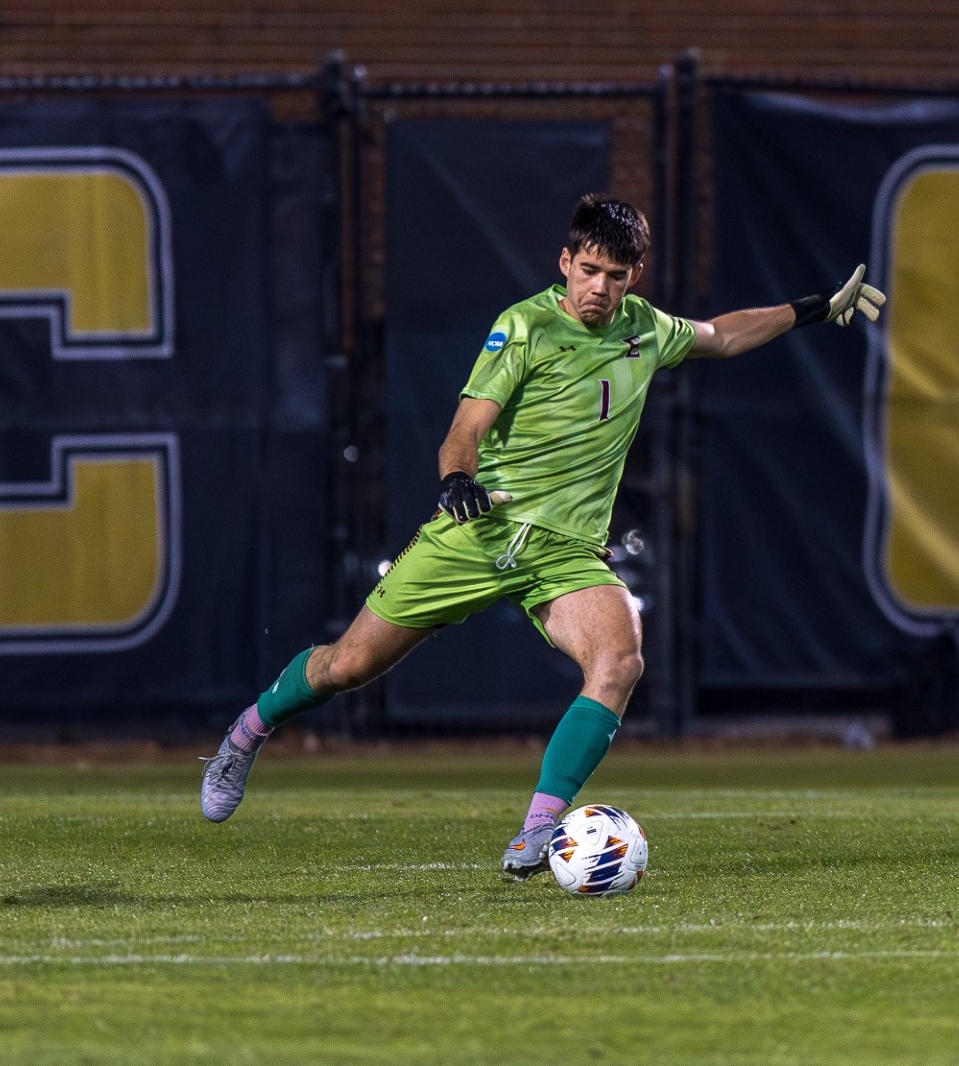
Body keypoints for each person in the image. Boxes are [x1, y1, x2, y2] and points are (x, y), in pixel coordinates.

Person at [200, 193, 885, 878]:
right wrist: (455, 479)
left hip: (565, 550)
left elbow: (722, 335)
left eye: (615, 275)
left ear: (634, 276)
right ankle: (245, 734)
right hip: (477, 532)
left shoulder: (645, 328)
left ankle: (536, 831)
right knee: (346, 668)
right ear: (565, 262)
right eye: (588, 270)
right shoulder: (524, 326)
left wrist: (813, 308)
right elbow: (465, 428)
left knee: (619, 661)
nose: (599, 288)